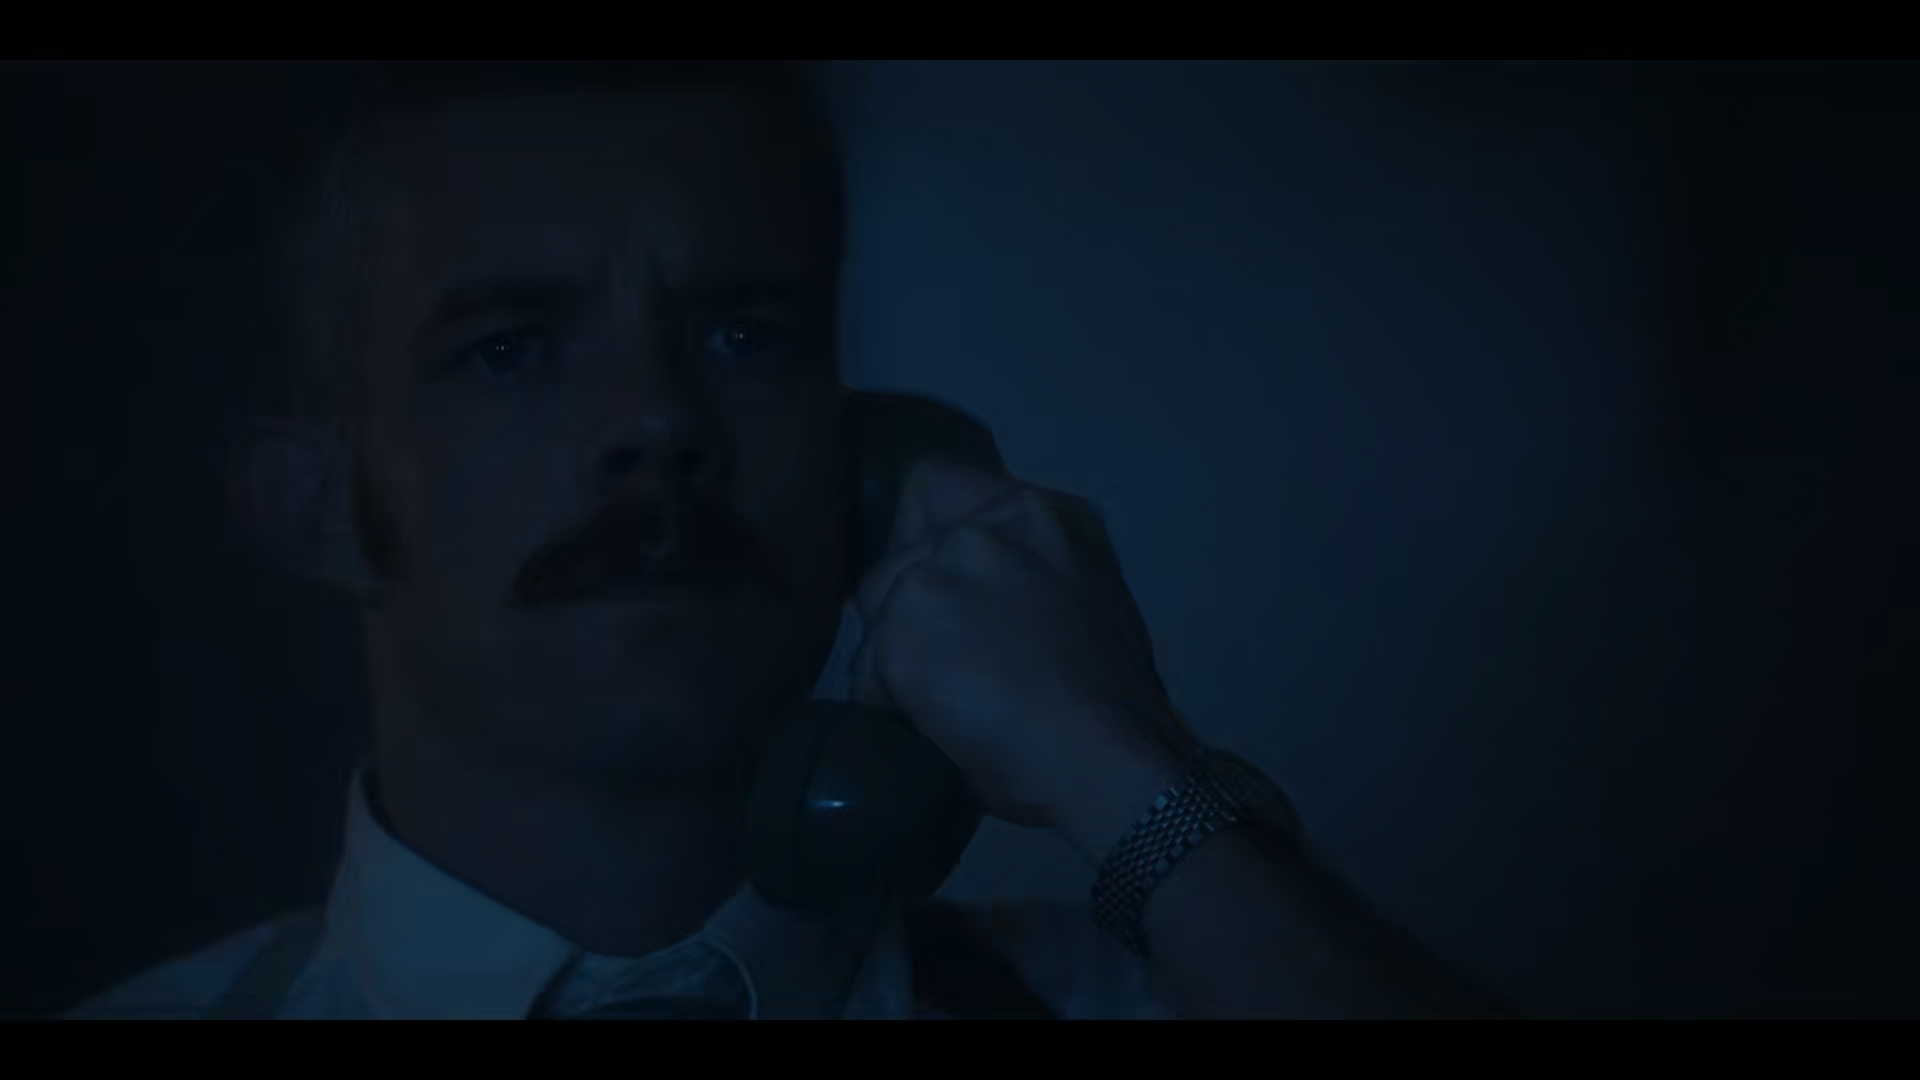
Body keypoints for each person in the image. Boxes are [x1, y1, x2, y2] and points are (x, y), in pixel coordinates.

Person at [71, 61, 1504, 1020]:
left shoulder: (1151, 992)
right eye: (509, 350)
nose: (656, 420)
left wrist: (1124, 770)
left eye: (745, 335)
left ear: (868, 459)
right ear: (320, 509)